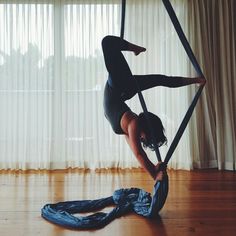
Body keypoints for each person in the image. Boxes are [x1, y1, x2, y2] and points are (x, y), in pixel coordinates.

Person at [102, 35, 206, 181]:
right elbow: (139, 154)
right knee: (108, 42)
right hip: (120, 85)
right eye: (147, 137)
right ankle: (134, 49)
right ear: (147, 128)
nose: (144, 139)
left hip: (124, 88)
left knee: (161, 79)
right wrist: (154, 175)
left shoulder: (130, 129)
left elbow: (136, 152)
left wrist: (154, 167)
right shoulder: (133, 124)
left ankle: (196, 80)